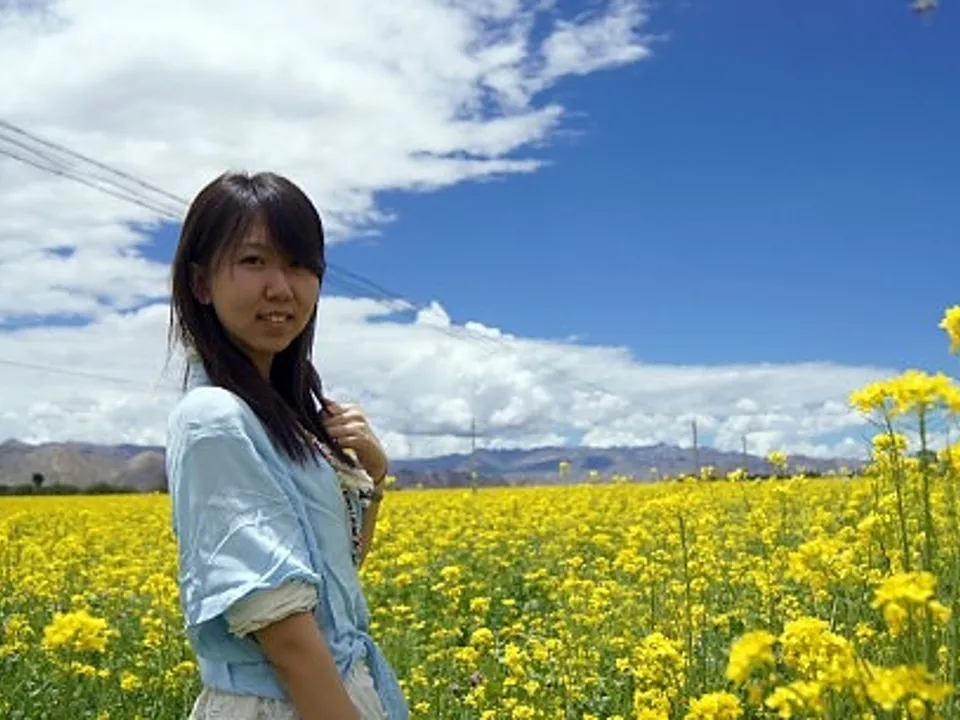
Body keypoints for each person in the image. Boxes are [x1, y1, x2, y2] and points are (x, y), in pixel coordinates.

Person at [164, 170, 410, 720]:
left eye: (300, 265)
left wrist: (373, 480)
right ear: (201, 283)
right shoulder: (213, 419)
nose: (282, 288)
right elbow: (287, 638)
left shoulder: (283, 420)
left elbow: (334, 584)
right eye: (254, 261)